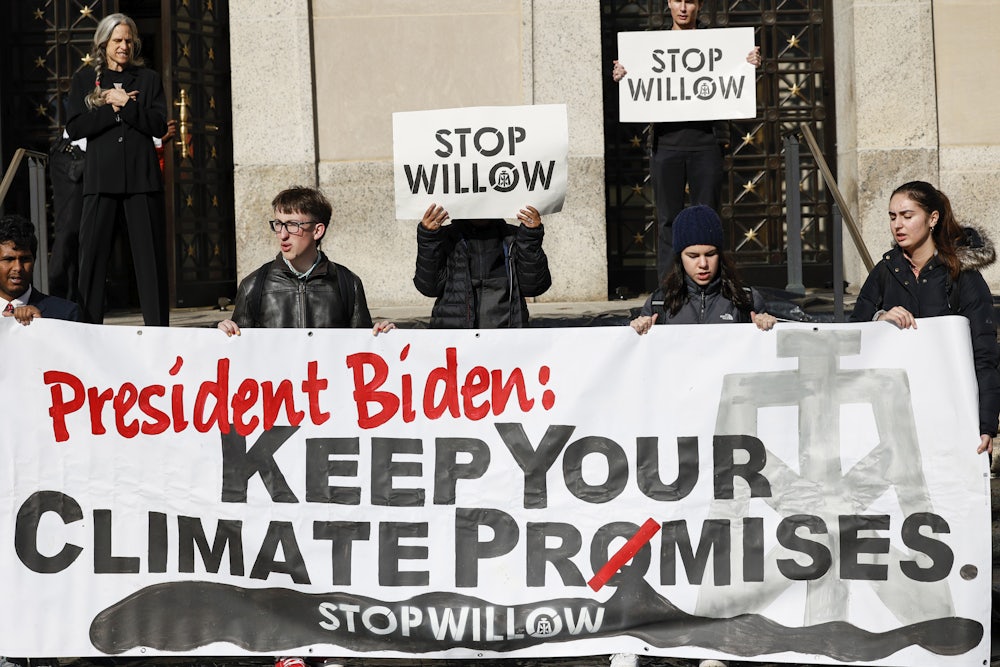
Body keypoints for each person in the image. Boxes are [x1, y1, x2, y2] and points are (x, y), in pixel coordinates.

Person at [611, 0, 762, 282]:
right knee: (668, 220)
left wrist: (749, 63)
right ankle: (669, 289)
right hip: (665, 144)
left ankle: (711, 287)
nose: (683, 8)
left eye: (690, 1)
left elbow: (734, 80)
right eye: (677, 1)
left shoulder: (718, 43)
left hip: (706, 144)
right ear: (668, 3)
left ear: (699, 5)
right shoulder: (650, 45)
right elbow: (639, 83)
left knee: (708, 218)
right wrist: (623, 75)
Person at [850, 181, 998, 457]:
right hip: (893, 417)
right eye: (892, 217)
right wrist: (878, 319)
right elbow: (851, 338)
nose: (898, 225)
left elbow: (985, 356)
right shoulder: (885, 272)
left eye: (907, 216)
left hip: (948, 413)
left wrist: (986, 426)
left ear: (932, 219)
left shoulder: (963, 277)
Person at [66, 12, 169, 326]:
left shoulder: (148, 79)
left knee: (150, 262)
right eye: (118, 40)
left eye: (129, 40)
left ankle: (158, 330)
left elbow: (158, 125)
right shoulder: (85, 79)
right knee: (92, 261)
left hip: (142, 181)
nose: (124, 46)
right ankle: (88, 329)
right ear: (104, 43)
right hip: (101, 181)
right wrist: (111, 109)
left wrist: (128, 104)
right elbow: (75, 127)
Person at [218, 186, 393, 336]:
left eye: (292, 225)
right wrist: (224, 334)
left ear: (317, 231)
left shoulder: (348, 283)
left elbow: (363, 347)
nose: (283, 235)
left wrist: (387, 337)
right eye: (278, 224)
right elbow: (240, 352)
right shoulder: (253, 285)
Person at [630, 204, 776, 333]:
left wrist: (767, 326)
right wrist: (639, 328)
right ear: (680, 257)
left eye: (710, 254)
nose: (703, 264)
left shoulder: (746, 299)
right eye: (693, 256)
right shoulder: (659, 303)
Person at [413, 203, 552, 328]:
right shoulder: (444, 237)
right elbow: (429, 288)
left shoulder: (515, 237)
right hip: (455, 338)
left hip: (506, 336)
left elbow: (534, 287)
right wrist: (429, 239)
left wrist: (530, 238)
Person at [0, 214, 81, 325]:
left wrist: (41, 326)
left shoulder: (66, 314)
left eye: (25, 259)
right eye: (9, 259)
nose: (18, 267)